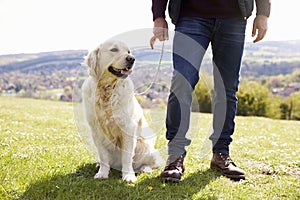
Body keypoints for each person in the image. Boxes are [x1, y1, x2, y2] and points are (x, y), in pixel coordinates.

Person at [151, 0, 271, 182]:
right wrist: (158, 15)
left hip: (234, 18)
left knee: (227, 89)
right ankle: (175, 156)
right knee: (181, 83)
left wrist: (263, 13)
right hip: (190, 16)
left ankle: (221, 153)